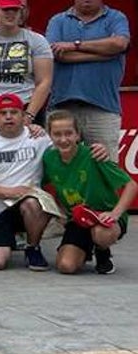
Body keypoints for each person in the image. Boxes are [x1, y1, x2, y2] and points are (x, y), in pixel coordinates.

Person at [46, 0, 130, 161]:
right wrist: (104, 54)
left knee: (105, 168)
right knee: (62, 167)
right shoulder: (58, 21)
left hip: (103, 107)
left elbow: (119, 43)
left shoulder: (116, 17)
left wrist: (74, 45)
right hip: (62, 105)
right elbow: (57, 56)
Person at [42, 110, 137, 276]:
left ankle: (102, 252)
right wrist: (59, 212)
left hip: (103, 217)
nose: (63, 139)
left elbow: (131, 185)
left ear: (78, 135)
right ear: (49, 136)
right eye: (57, 134)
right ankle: (85, 247)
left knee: (101, 234)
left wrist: (115, 214)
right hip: (78, 219)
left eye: (69, 133)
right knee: (66, 266)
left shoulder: (94, 155)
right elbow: (42, 187)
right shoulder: (49, 159)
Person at [0, 93, 56, 271]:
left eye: (14, 112)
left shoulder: (39, 138)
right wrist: (9, 192)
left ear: (24, 116)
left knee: (33, 203)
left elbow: (68, 151)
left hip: (27, 204)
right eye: (3, 113)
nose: (8, 117)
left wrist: (96, 150)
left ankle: (33, 247)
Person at [0, 0, 53, 123]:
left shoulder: (38, 40)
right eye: (6, 9)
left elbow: (44, 82)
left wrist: (29, 115)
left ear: (21, 12)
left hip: (26, 106)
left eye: (15, 10)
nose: (11, 14)